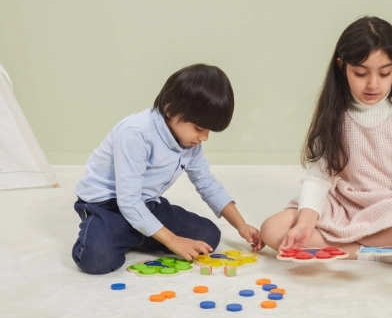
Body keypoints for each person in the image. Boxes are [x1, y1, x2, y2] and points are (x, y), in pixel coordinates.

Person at [260, 16, 392, 269]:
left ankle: (346, 247)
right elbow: (318, 178)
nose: (373, 84)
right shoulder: (336, 117)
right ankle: (371, 251)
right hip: (346, 204)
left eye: (384, 73)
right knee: (272, 229)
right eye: (361, 73)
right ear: (342, 67)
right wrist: (305, 224)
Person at [72, 64, 263, 275]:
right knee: (97, 259)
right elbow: (128, 201)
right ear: (170, 110)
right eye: (199, 128)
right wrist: (172, 240)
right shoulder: (136, 133)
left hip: (146, 204)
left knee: (208, 236)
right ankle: (132, 231)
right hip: (108, 206)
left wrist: (241, 225)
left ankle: (140, 230)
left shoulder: (190, 143)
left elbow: (207, 183)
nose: (204, 138)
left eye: (209, 131)